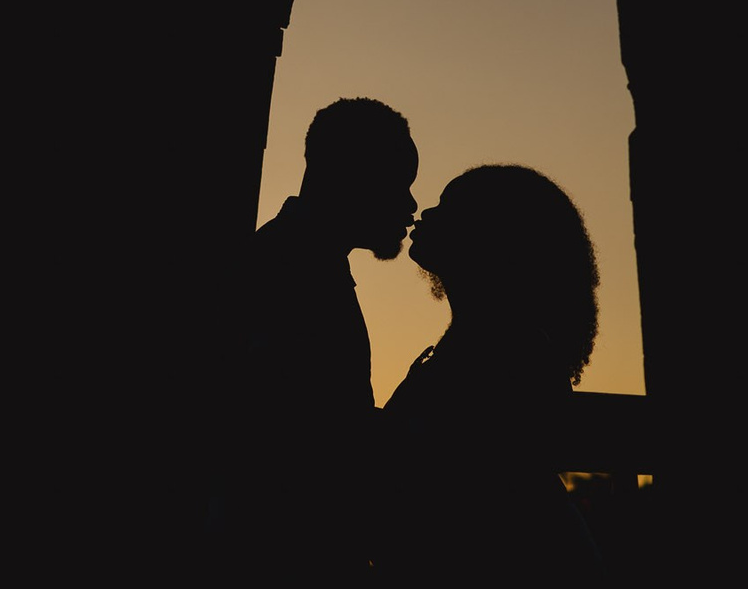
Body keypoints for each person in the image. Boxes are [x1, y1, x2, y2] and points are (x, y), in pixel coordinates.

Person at [376, 164, 605, 575]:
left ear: (490, 238)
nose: (427, 213)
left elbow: (463, 499)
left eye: (449, 207)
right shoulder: (490, 344)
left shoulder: (508, 355)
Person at [227, 97, 419, 575]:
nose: (411, 204)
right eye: (399, 183)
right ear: (351, 176)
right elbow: (310, 441)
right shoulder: (290, 272)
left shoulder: (295, 260)